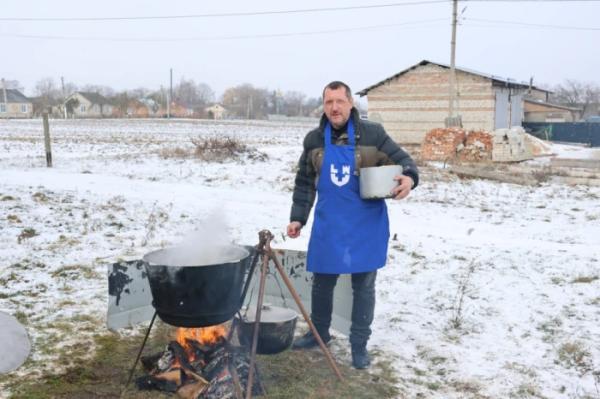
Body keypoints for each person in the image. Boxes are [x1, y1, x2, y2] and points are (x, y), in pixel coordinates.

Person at [286, 81, 419, 369]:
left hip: (365, 225)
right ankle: (319, 334)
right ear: (323, 106)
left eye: (339, 101)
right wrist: (298, 217)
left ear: (350, 104)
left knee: (364, 287)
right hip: (329, 224)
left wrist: (409, 178)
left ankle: (359, 345)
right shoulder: (314, 140)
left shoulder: (373, 134)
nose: (334, 107)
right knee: (322, 285)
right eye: (328, 102)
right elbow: (305, 183)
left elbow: (405, 162)